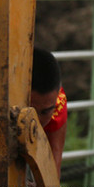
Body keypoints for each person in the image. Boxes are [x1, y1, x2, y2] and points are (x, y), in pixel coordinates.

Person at [30, 47, 67, 178]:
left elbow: (53, 169)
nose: (38, 121)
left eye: (45, 112)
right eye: (31, 111)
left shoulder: (57, 102)